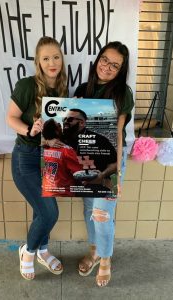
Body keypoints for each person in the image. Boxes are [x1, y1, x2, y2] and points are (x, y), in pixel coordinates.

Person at [6, 36, 68, 280]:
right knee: (49, 213)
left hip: (50, 158)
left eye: (56, 57)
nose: (52, 62)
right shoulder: (26, 85)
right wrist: (29, 130)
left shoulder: (62, 89)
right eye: (46, 58)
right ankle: (28, 251)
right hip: (27, 158)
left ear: (61, 59)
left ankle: (43, 249)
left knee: (40, 212)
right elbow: (10, 118)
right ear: (38, 62)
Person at [74, 41, 134, 287]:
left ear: (121, 70)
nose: (107, 67)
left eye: (115, 65)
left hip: (110, 159)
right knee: (90, 210)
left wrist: (117, 173)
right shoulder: (82, 88)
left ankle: (106, 259)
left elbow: (118, 134)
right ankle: (95, 250)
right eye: (105, 60)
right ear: (98, 59)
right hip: (86, 158)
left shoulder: (123, 93)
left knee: (101, 214)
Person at [62, 108, 117, 198]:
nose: (65, 122)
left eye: (70, 119)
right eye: (64, 119)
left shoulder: (100, 140)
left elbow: (115, 163)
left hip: (93, 190)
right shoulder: (60, 139)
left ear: (82, 123)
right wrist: (47, 141)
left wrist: (102, 175)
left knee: (91, 210)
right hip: (68, 188)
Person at [42, 118, 82, 197]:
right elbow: (80, 174)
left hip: (47, 189)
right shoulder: (67, 150)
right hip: (63, 192)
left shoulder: (46, 148)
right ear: (56, 131)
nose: (61, 126)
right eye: (59, 125)